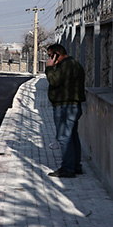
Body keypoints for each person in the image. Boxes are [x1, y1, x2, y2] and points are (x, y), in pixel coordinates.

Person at [44, 43, 85, 178]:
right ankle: (76, 166)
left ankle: (68, 169)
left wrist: (49, 68)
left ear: (57, 54)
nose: (49, 58)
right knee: (72, 136)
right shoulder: (76, 64)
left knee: (63, 137)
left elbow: (54, 81)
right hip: (73, 106)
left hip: (64, 107)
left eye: (50, 56)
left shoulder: (65, 66)